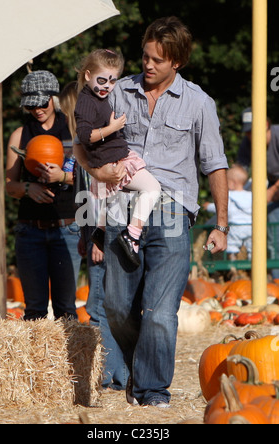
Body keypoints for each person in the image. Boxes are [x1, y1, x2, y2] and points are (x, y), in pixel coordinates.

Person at [74, 16, 229, 408]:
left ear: (176, 62)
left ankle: (152, 391)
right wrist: (96, 171)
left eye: (157, 60)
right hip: (120, 207)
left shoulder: (199, 103)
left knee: (160, 312)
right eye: (144, 56)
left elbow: (215, 164)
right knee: (116, 307)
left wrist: (221, 224)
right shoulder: (116, 91)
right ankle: (137, 374)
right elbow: (84, 142)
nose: (147, 65)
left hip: (174, 212)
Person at [60, 81, 129, 390]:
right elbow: (86, 196)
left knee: (100, 307)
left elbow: (105, 194)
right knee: (106, 304)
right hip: (94, 232)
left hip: (105, 233)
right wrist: (85, 234)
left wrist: (98, 235)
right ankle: (117, 373)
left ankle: (108, 374)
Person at [74, 49, 161, 267]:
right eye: (102, 80)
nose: (107, 86)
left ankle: (101, 231)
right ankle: (132, 234)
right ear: (87, 75)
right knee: (152, 189)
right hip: (112, 160)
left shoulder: (96, 96)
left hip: (113, 156)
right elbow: (84, 136)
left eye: (112, 81)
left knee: (116, 198)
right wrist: (111, 128)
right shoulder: (86, 101)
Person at [6, 70, 81, 320]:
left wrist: (62, 177)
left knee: (66, 310)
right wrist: (30, 189)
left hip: (68, 229)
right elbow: (10, 185)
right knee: (35, 311)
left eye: (42, 102)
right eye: (31, 104)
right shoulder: (20, 135)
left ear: (53, 97)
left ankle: (67, 361)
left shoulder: (72, 130)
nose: (37, 109)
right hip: (30, 232)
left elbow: (90, 179)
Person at [236, 107, 279, 277]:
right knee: (274, 235)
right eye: (247, 133)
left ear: (266, 124)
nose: (250, 136)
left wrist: (272, 191)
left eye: (253, 131)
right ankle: (276, 282)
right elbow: (240, 170)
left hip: (274, 189)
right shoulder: (248, 143)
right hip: (274, 191)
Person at [204, 165, 252, 260]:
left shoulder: (229, 196)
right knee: (251, 246)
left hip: (235, 227)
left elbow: (222, 207)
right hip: (250, 227)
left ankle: (232, 263)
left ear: (233, 183)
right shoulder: (251, 195)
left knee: (232, 245)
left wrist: (208, 206)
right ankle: (253, 263)